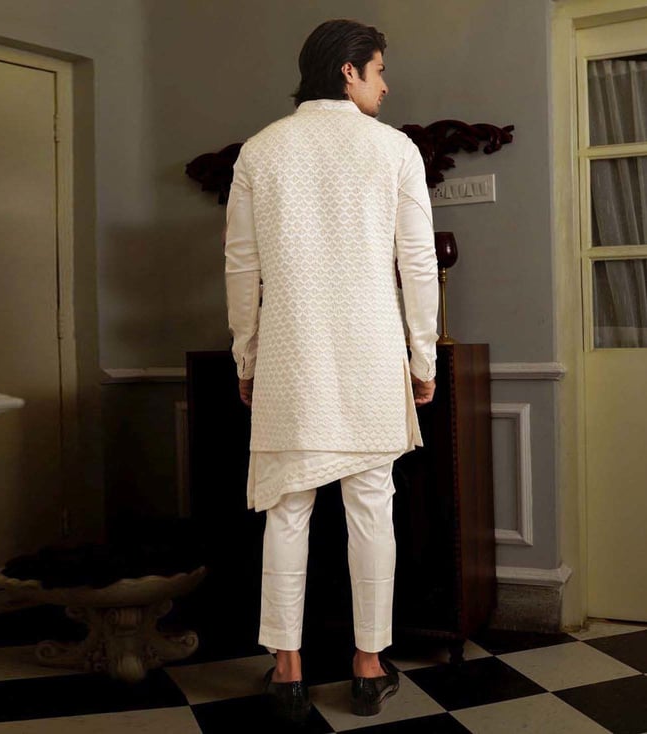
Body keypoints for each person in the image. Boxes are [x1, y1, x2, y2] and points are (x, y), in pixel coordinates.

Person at [224, 18, 438, 723]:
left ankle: (287, 672)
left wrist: (247, 354)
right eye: (379, 70)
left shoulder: (260, 150)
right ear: (349, 71)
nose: (385, 85)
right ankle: (368, 668)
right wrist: (424, 356)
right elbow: (417, 264)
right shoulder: (394, 149)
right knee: (372, 507)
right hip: (371, 355)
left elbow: (241, 266)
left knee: (288, 510)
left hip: (291, 358)